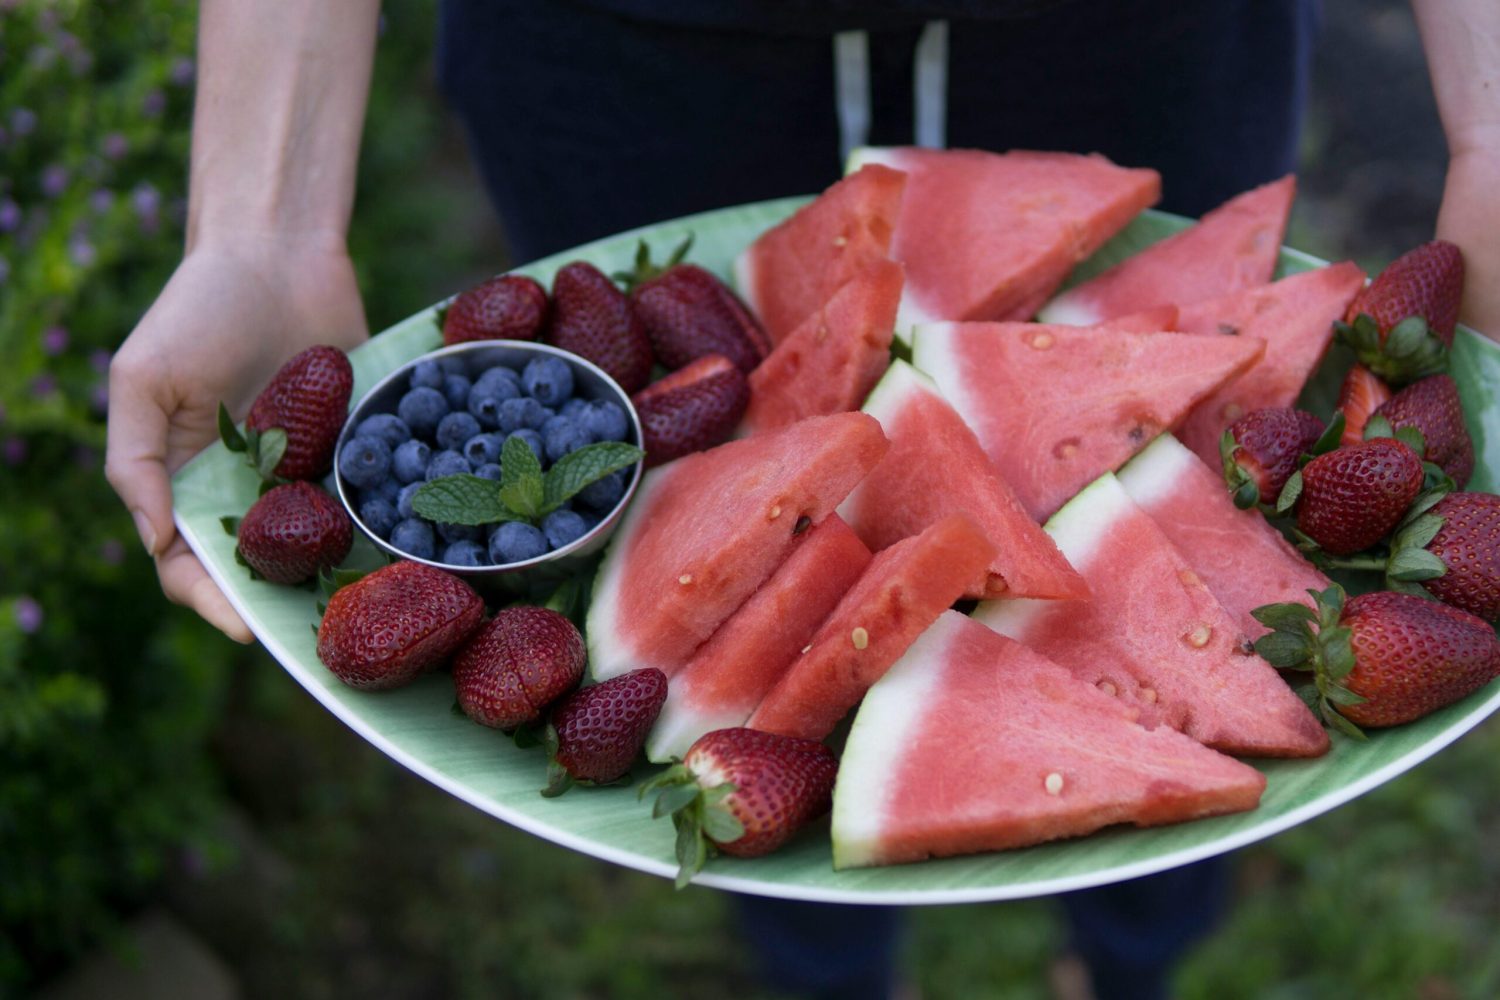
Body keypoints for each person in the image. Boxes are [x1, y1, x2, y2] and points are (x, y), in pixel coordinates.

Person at [105, 3, 1500, 998]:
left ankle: (1133, 955)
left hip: (1144, 35)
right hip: (623, 51)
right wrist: (265, 225)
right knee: (759, 721)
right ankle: (828, 965)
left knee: (1191, 676)